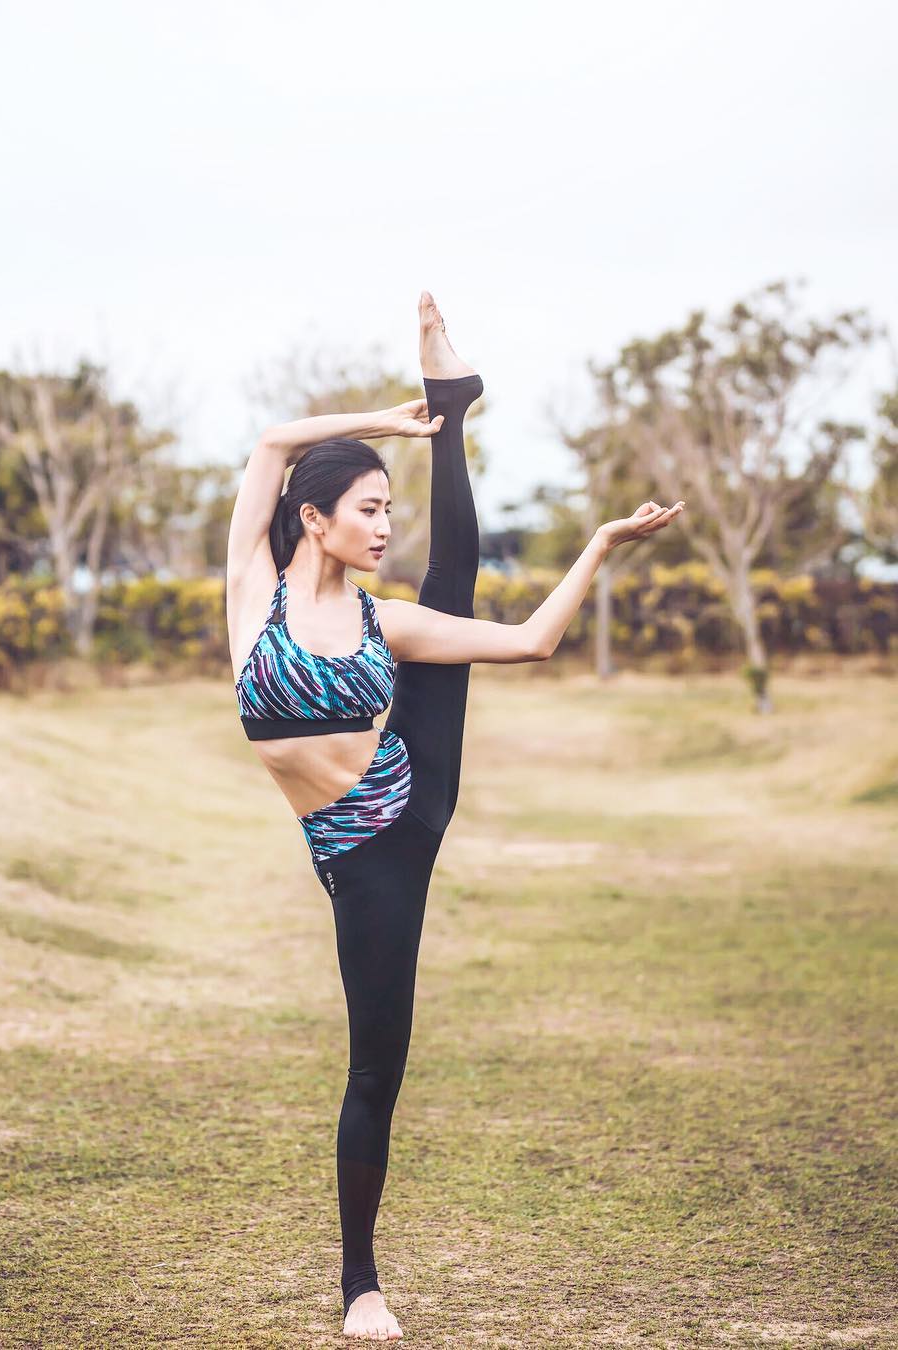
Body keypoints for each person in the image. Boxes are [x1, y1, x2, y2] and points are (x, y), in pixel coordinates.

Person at [226, 292, 685, 1340]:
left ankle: (361, 1288)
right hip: (339, 841)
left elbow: (528, 643)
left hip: (402, 821)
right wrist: (384, 426)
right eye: (371, 509)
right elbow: (267, 443)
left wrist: (603, 544)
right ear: (315, 518)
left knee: (374, 1063)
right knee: (373, 1060)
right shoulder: (253, 594)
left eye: (391, 507)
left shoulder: (389, 623)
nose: (384, 525)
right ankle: (448, 401)